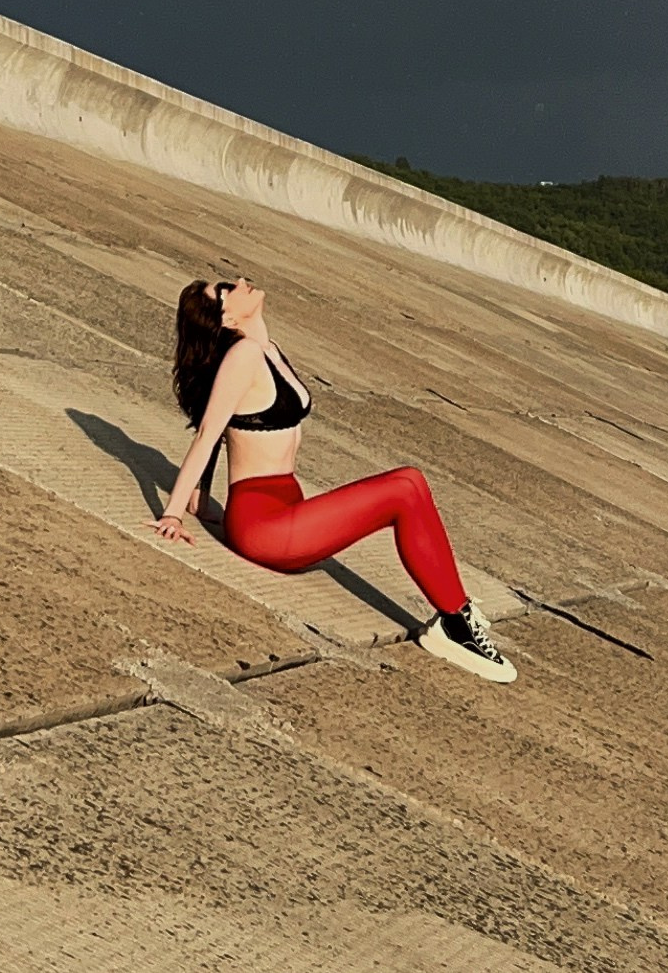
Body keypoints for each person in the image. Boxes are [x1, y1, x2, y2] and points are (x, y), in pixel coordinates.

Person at [155, 274, 514, 682]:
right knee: (405, 486)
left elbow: (222, 425)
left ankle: (457, 607)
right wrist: (173, 515)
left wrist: (199, 496)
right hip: (265, 527)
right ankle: (454, 624)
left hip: (288, 507)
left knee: (408, 487)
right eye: (225, 289)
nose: (239, 281)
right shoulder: (243, 356)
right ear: (225, 317)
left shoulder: (265, 347)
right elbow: (208, 431)